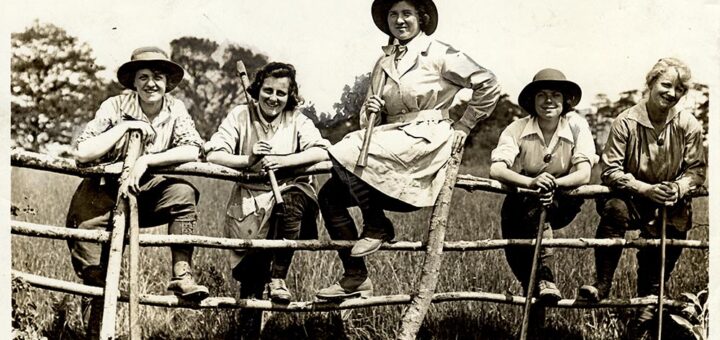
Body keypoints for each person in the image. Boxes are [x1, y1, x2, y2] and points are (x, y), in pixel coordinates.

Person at [316, 0, 500, 300]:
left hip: (425, 137)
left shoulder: (439, 52)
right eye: (393, 14)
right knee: (330, 197)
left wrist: (465, 125)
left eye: (406, 14)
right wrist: (370, 109)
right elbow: (370, 119)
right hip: (389, 139)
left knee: (344, 148)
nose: (400, 20)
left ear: (421, 18)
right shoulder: (384, 61)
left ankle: (376, 224)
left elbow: (488, 83)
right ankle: (355, 275)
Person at [66, 46, 208, 338]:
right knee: (96, 274)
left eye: (158, 76)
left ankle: (182, 273)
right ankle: (96, 334)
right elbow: (82, 152)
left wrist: (146, 160)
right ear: (133, 81)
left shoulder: (175, 108)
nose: (151, 84)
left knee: (183, 193)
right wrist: (128, 127)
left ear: (167, 81)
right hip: (100, 196)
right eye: (143, 76)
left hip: (146, 191)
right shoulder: (114, 106)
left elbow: (193, 148)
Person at [577, 58, 706, 332]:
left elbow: (696, 170)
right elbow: (610, 169)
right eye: (666, 85)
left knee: (660, 256)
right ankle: (602, 282)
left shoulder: (688, 124)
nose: (672, 93)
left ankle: (645, 312)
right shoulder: (626, 121)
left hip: (669, 201)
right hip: (632, 197)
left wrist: (678, 188)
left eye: (679, 89)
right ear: (651, 83)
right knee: (614, 209)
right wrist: (645, 188)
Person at [205, 62, 330, 304]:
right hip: (250, 204)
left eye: (281, 93)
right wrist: (248, 159)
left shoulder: (296, 119)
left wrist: (283, 161)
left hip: (287, 198)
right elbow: (213, 154)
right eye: (268, 90)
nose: (273, 98)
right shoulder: (240, 115)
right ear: (258, 89)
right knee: (252, 282)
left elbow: (322, 151)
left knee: (294, 198)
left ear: (289, 96)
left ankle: (278, 278)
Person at [489, 68, 597, 304]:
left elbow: (584, 173)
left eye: (556, 95)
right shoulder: (517, 127)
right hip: (527, 193)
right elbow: (496, 169)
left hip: (565, 193)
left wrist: (553, 185)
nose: (549, 101)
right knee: (518, 253)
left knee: (540, 213)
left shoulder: (577, 125)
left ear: (565, 100)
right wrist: (532, 182)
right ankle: (538, 293)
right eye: (541, 95)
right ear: (532, 100)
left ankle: (546, 278)